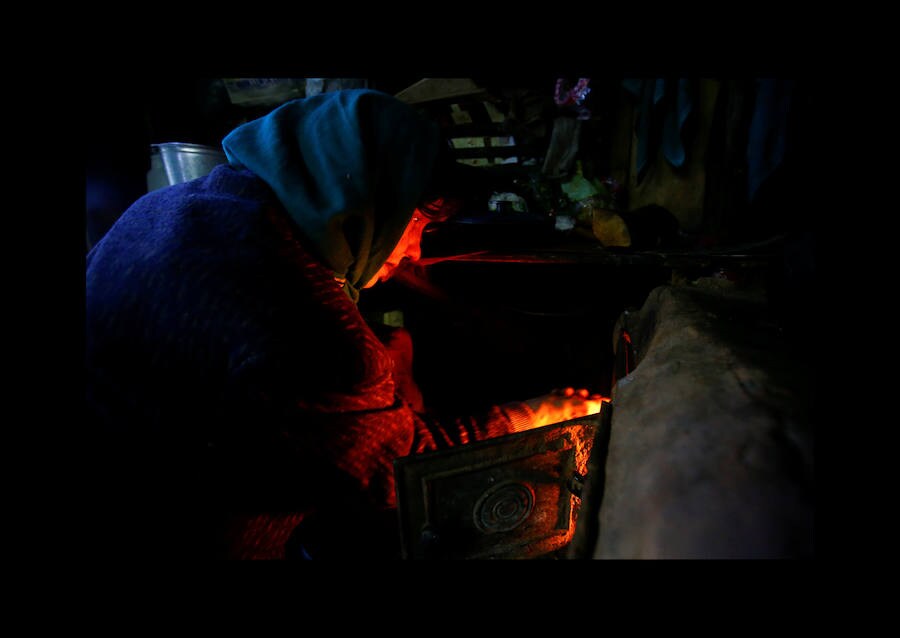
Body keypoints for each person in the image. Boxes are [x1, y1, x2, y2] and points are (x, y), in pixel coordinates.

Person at [85, 88, 605, 560]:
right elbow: (401, 472)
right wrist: (535, 413)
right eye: (417, 224)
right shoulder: (303, 316)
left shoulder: (166, 208)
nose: (412, 252)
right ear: (364, 199)